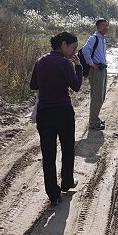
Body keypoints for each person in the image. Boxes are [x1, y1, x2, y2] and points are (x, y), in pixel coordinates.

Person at [30, 31, 83, 205]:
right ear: (63, 45)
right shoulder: (65, 63)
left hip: (45, 113)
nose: (73, 52)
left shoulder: (41, 61)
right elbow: (75, 86)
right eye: (73, 48)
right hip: (63, 112)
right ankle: (67, 182)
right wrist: (78, 67)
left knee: (48, 154)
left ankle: (53, 194)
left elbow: (34, 85)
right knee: (68, 148)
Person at [81, 18, 109, 130]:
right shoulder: (94, 38)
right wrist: (91, 64)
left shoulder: (102, 38)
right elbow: (85, 50)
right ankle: (93, 121)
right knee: (97, 96)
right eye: (103, 25)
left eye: (107, 25)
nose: (106, 27)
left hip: (102, 69)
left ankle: (95, 118)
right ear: (97, 27)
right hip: (96, 70)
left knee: (101, 96)